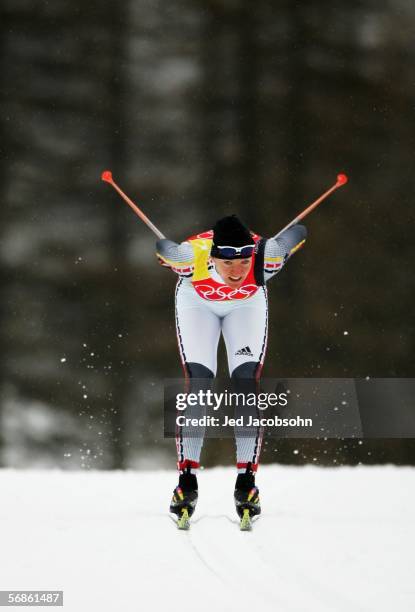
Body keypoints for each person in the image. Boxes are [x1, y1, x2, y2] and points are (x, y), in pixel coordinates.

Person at [156, 214, 306, 525]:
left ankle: (246, 484)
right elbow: (163, 246)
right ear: (212, 256)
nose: (237, 271)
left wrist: (286, 244)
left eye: (243, 262)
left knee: (245, 382)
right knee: (199, 381)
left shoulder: (267, 256)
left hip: (245, 307)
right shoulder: (190, 257)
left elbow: (300, 232)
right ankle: (186, 482)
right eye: (228, 263)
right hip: (197, 304)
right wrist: (166, 253)